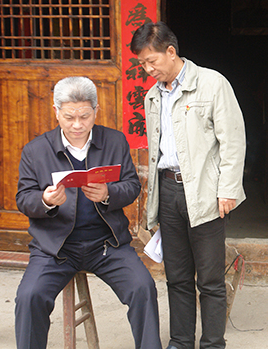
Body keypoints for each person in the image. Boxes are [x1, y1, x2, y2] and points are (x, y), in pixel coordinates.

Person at [15, 77, 162, 349]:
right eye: (69, 117)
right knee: (29, 296)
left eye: (84, 116)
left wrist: (108, 193)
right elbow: (23, 199)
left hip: (107, 244)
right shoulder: (36, 150)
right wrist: (45, 200)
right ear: (56, 112)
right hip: (55, 248)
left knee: (143, 287)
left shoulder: (114, 141)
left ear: (96, 110)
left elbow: (131, 186)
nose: (77, 125)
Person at [130, 21, 246, 349]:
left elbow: (233, 141)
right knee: (177, 276)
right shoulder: (153, 96)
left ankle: (212, 343)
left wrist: (228, 190)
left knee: (210, 278)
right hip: (168, 190)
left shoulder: (211, 84)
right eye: (142, 64)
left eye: (151, 61)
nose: (148, 69)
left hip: (205, 192)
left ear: (171, 52)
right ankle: (180, 342)